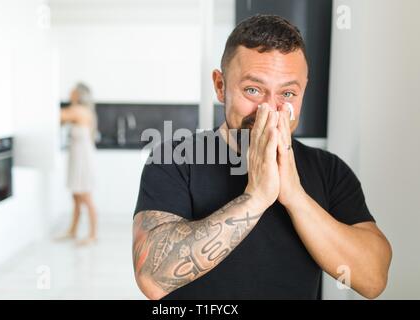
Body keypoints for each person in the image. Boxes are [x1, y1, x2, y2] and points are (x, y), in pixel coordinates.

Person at [132, 14, 392, 299]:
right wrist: (255, 197)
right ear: (220, 86)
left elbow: (373, 279)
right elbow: (153, 279)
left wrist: (294, 196)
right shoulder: (174, 159)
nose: (269, 109)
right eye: (253, 90)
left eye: (288, 93)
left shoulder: (329, 170)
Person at [59, 82, 98, 246]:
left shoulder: (78, 110)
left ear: (78, 95)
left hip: (83, 160)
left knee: (85, 197)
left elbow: (59, 116)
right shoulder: (79, 110)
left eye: (72, 90)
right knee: (75, 196)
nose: (69, 92)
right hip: (77, 158)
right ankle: (72, 230)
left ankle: (92, 234)